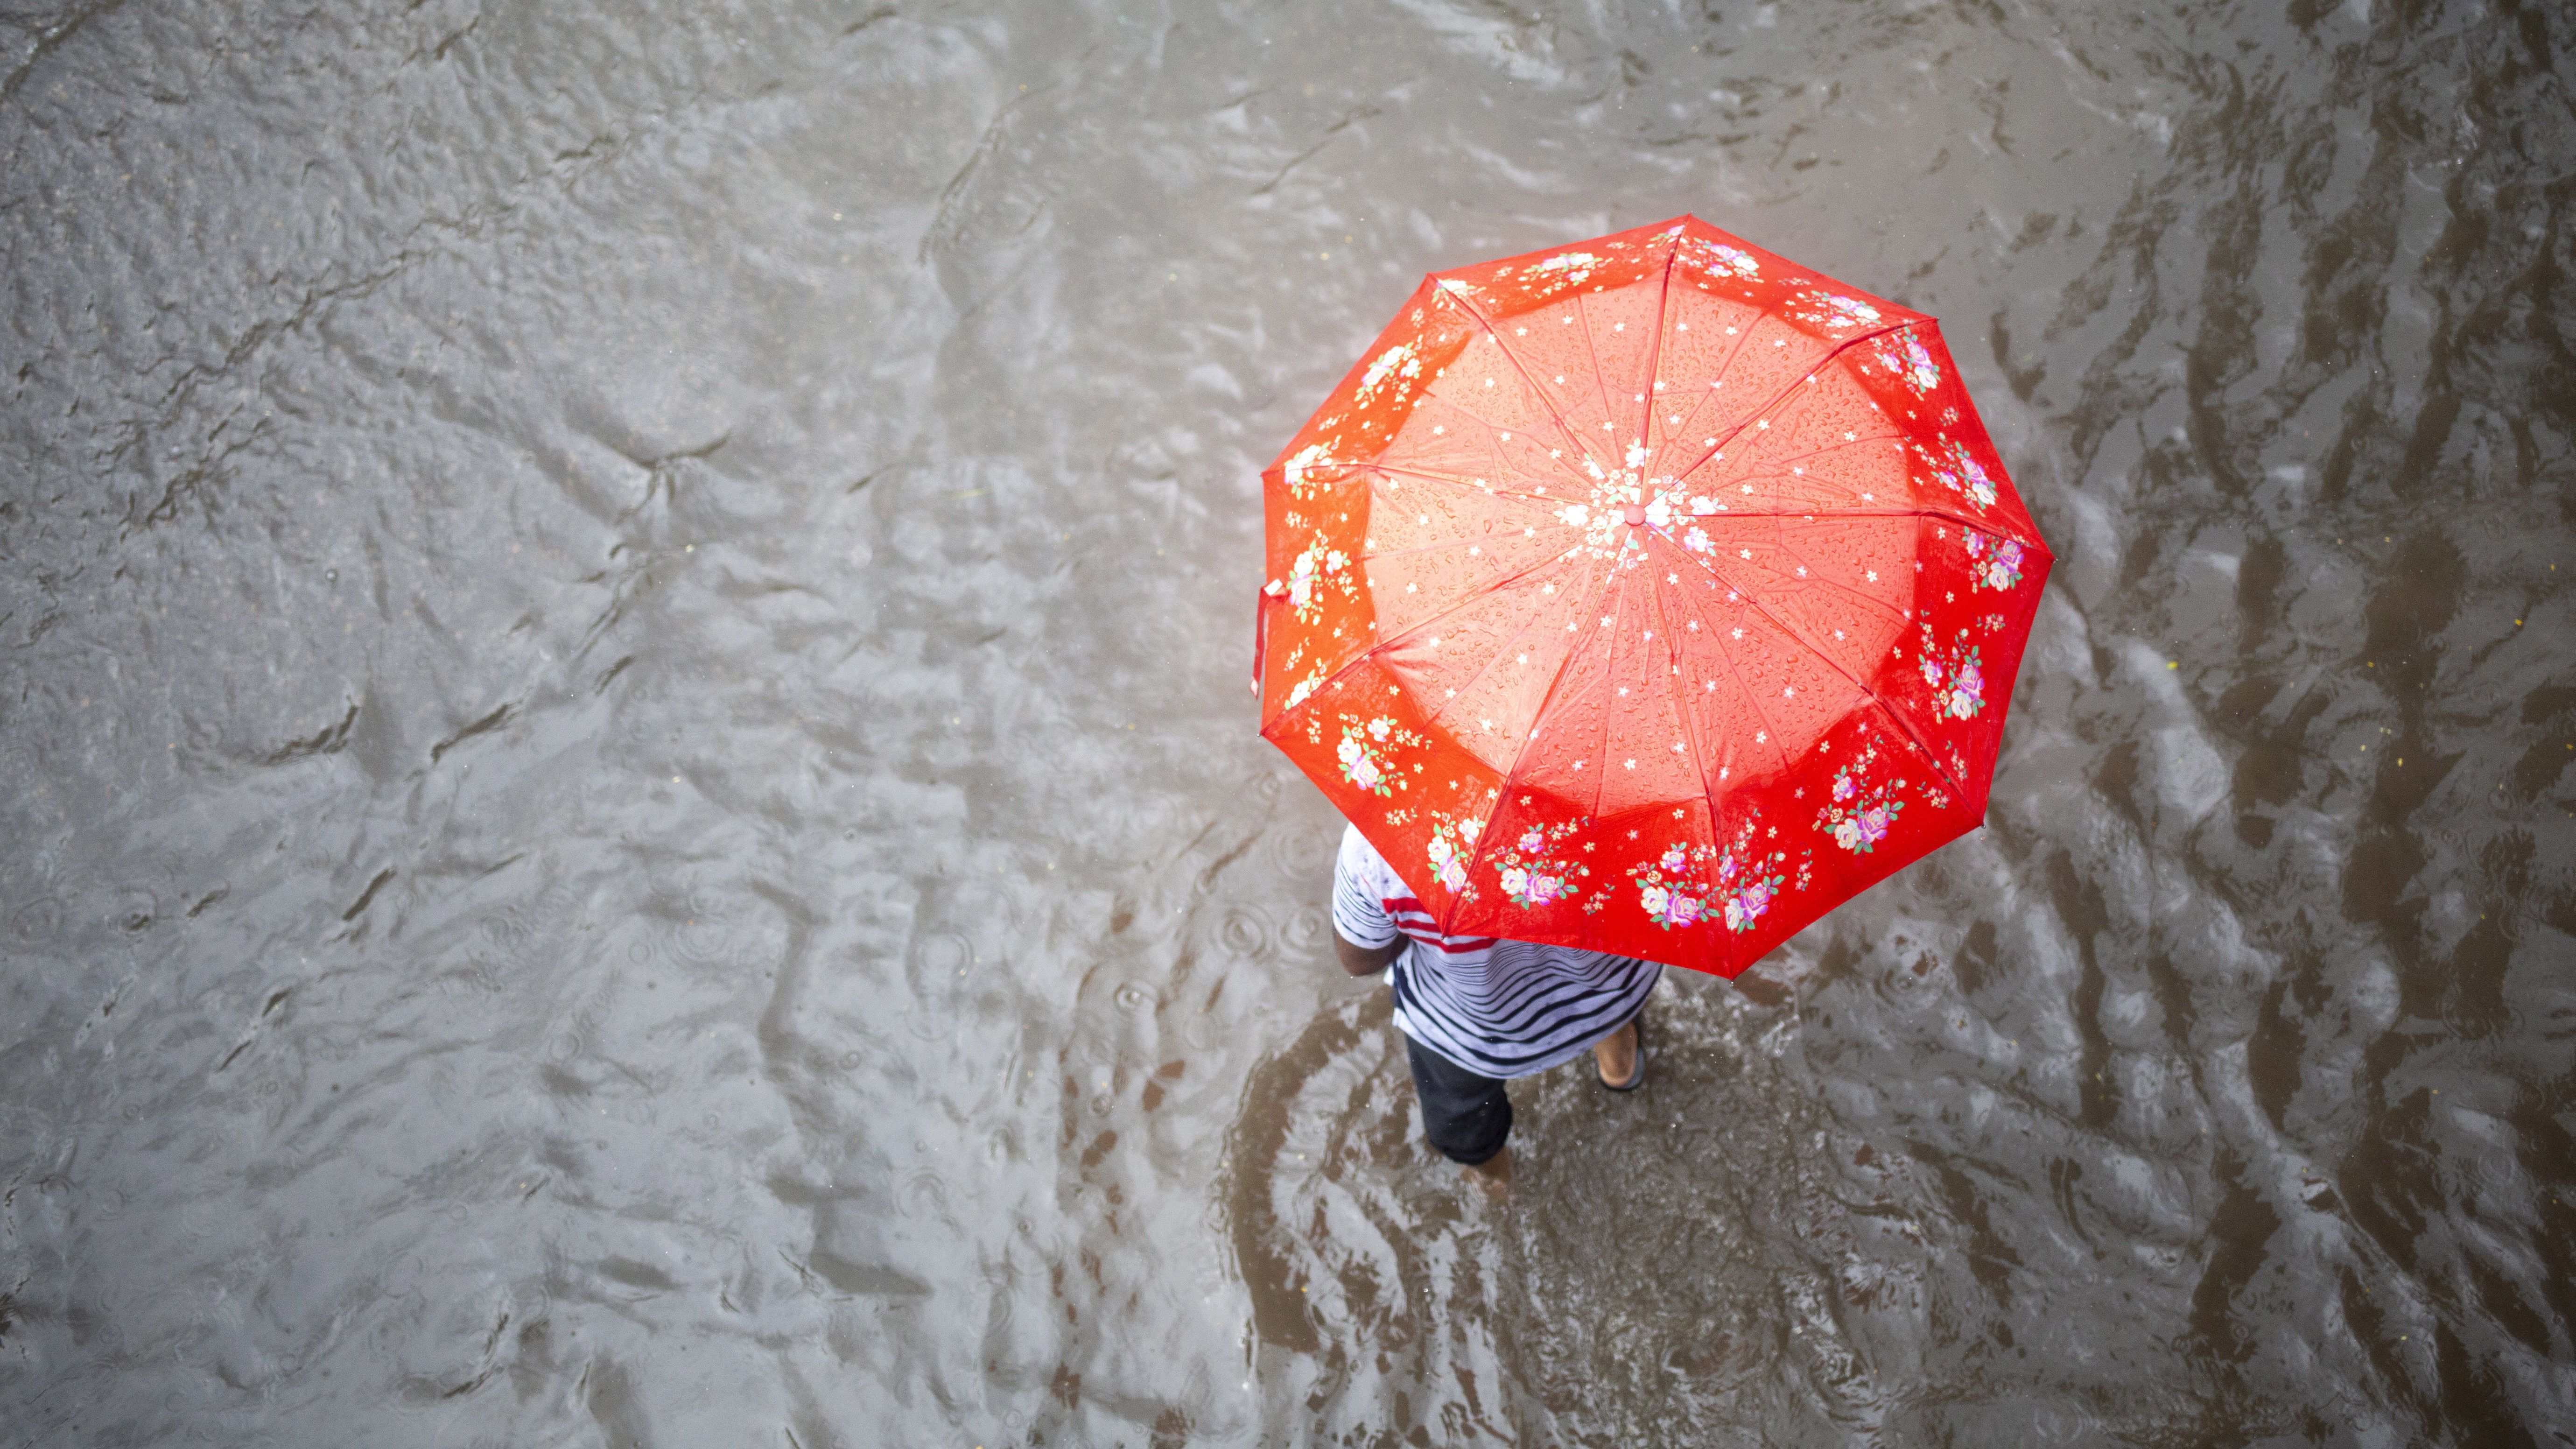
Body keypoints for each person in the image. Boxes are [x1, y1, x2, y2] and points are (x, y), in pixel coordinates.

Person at [1329, 823, 1656, 1180]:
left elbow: (1361, 960)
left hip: (1470, 1025)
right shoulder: (1638, 795)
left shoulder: (1379, 842)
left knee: (1464, 1120)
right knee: (1608, 1018)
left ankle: (1496, 1182)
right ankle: (1620, 1070)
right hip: (1606, 987)